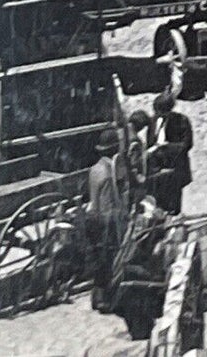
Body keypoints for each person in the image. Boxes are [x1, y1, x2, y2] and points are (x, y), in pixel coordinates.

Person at [86, 127, 130, 311]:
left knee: (98, 257)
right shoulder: (112, 169)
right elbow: (118, 196)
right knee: (111, 255)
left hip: (93, 216)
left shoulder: (94, 169)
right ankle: (107, 297)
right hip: (109, 219)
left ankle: (96, 297)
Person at [145, 91, 194, 214]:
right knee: (158, 205)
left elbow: (186, 145)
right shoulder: (153, 121)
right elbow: (150, 142)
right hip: (157, 172)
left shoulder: (182, 121)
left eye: (161, 112)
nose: (158, 115)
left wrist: (167, 147)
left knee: (173, 206)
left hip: (175, 169)